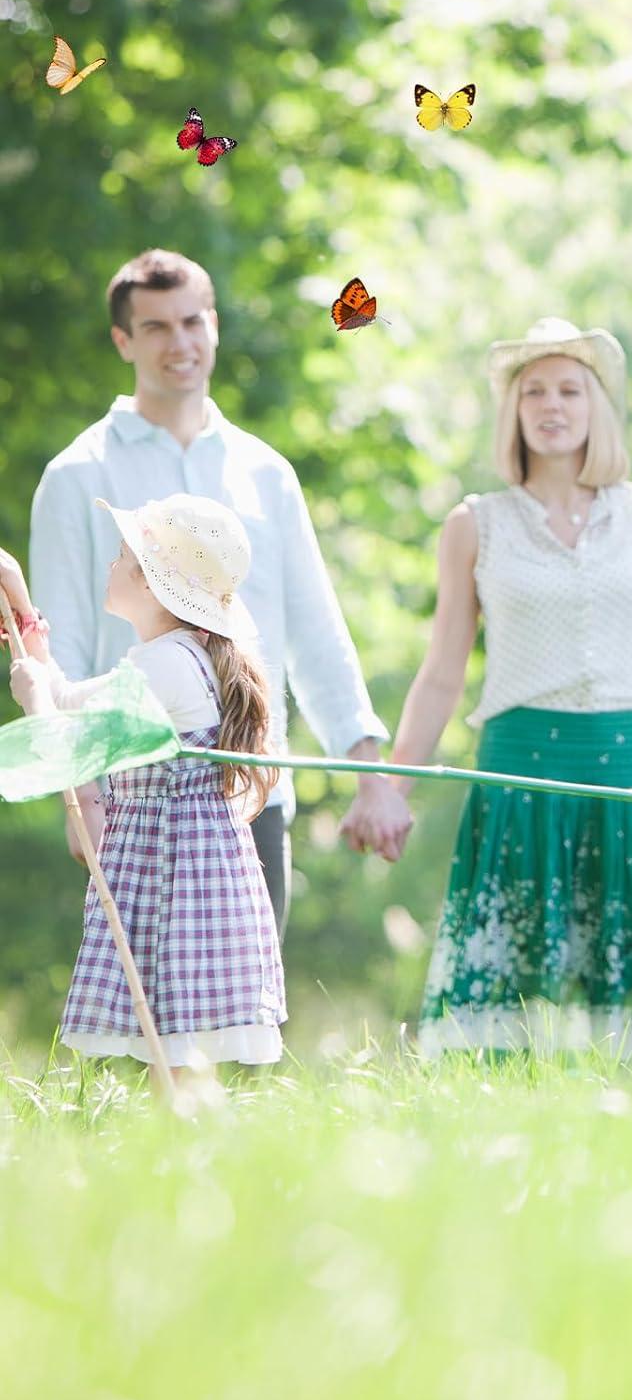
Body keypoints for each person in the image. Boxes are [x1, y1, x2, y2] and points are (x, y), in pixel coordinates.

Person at [367, 317, 632, 1058]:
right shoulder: (476, 524)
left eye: (569, 389)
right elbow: (441, 674)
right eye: (533, 391)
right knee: (515, 1004)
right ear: (514, 411)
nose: (552, 405)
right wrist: (391, 787)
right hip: (518, 767)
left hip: (630, 766)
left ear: (597, 404)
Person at [29, 248, 411, 939]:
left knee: (246, 1025)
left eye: (192, 321)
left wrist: (370, 773)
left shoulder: (266, 474)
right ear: (123, 340)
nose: (180, 342)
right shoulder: (76, 475)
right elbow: (61, 649)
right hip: (132, 798)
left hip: (250, 790)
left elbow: (316, 632)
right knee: (140, 1030)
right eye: (156, 327)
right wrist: (80, 794)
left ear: (214, 325)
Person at [1, 495, 287, 1075]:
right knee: (175, 1055)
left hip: (176, 879)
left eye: (122, 556)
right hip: (172, 869)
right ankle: (183, 1151)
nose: (110, 566)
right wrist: (29, 627)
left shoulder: (169, 666)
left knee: (179, 1054)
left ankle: (191, 1150)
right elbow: (75, 702)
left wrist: (31, 695)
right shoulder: (174, 655)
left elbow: (70, 741)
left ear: (154, 586)